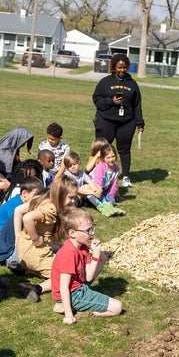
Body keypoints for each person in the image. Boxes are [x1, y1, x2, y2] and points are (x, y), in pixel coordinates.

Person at [51, 208, 122, 323]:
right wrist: (68, 315)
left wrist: (96, 254)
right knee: (117, 308)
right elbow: (63, 286)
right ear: (72, 233)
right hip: (72, 293)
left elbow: (88, 275)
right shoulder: (69, 253)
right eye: (88, 230)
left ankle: (86, 301)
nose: (92, 233)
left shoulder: (82, 245)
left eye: (92, 228)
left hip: (79, 283)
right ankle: (73, 306)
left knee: (102, 257)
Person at [16, 176, 79, 302]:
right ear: (60, 196)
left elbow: (18, 210)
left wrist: (18, 236)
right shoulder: (51, 209)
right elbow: (27, 218)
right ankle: (36, 288)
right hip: (36, 254)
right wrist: (35, 238)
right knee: (69, 273)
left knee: (62, 248)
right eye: (71, 198)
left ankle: (30, 270)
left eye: (74, 198)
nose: (73, 202)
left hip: (24, 251)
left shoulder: (43, 199)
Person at [92, 53, 144, 189]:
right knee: (102, 149)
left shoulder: (132, 84)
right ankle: (96, 173)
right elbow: (96, 99)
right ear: (113, 67)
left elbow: (137, 105)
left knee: (124, 149)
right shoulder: (105, 82)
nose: (122, 70)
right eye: (119, 67)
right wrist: (111, 101)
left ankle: (125, 177)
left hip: (127, 122)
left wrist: (140, 123)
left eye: (125, 67)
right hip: (106, 120)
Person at [89, 144, 126, 216]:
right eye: (108, 157)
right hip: (94, 189)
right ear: (103, 158)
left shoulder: (116, 169)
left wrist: (111, 197)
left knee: (112, 201)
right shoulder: (101, 167)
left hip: (103, 191)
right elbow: (97, 183)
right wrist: (99, 196)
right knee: (96, 198)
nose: (111, 159)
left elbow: (114, 185)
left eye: (113, 156)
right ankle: (99, 205)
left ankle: (101, 203)